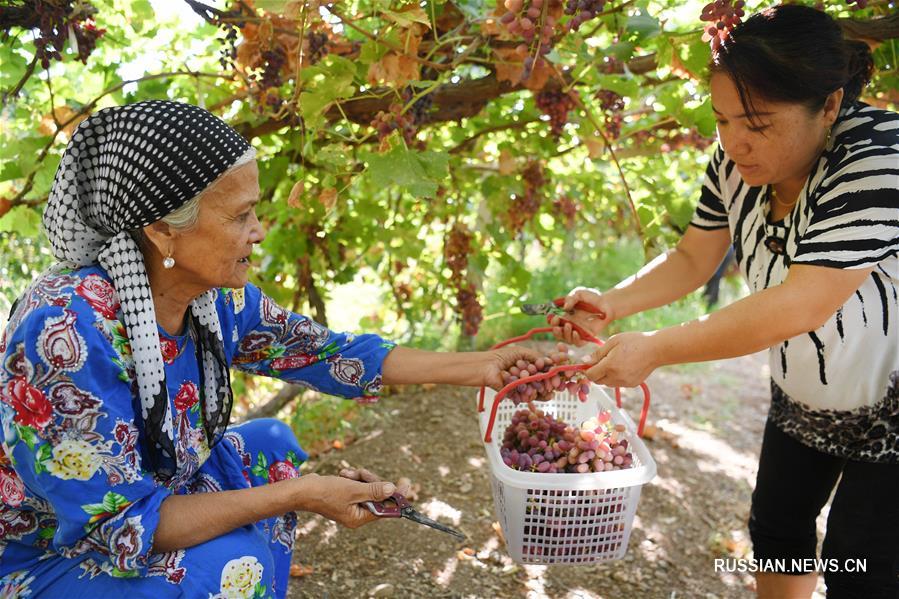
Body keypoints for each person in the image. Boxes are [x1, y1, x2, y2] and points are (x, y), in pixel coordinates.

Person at [0, 101, 537, 598]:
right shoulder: (66, 331)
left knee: (272, 443)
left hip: (148, 503)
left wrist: (485, 366)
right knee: (238, 563)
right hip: (49, 552)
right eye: (239, 216)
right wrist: (300, 494)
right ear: (163, 230)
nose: (258, 232)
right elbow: (120, 523)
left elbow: (329, 355)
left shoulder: (213, 302)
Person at [550, 6, 898, 598]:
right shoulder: (737, 163)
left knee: (859, 563)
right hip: (803, 397)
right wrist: (610, 303)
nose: (735, 141)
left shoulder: (880, 157)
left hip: (892, 410)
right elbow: (692, 258)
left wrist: (656, 349)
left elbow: (800, 305)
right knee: (778, 532)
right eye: (722, 120)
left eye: (757, 124)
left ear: (831, 105)